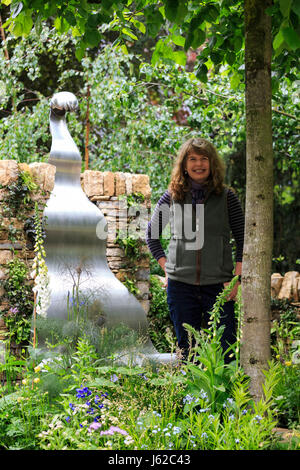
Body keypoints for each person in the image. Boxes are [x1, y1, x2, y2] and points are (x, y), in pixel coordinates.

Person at [146, 137, 245, 363]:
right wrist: (168, 268)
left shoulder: (227, 197)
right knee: (188, 351)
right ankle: (191, 398)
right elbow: (151, 235)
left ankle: (225, 398)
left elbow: (243, 240)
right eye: (192, 159)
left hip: (219, 286)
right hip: (181, 287)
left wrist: (236, 280)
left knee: (226, 352)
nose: (198, 164)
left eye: (203, 159)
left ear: (212, 164)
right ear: (184, 164)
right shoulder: (172, 197)